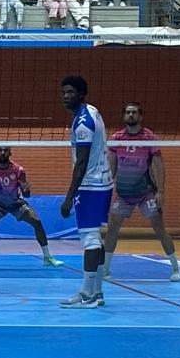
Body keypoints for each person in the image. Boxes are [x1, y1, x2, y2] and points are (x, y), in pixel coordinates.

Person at [103, 102, 180, 281]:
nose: (131, 115)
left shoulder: (149, 137)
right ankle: (106, 270)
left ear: (140, 116)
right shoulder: (116, 138)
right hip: (123, 193)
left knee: (160, 229)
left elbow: (158, 165)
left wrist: (161, 191)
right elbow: (111, 165)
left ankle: (177, 269)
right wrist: (107, 189)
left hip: (146, 192)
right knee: (112, 229)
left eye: (134, 112)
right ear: (124, 116)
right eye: (128, 112)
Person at [59, 76, 112, 308]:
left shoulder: (83, 121)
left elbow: (81, 163)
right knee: (96, 240)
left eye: (70, 92)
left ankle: (86, 293)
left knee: (90, 240)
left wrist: (69, 197)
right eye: (63, 92)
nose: (65, 96)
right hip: (103, 183)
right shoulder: (92, 111)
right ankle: (97, 291)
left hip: (91, 186)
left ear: (82, 94)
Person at [0, 147, 61, 266]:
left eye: (5, 150)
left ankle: (47, 257)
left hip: (16, 203)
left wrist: (27, 190)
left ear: (10, 153)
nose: (2, 153)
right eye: (0, 150)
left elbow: (26, 194)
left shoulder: (18, 170)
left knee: (37, 221)